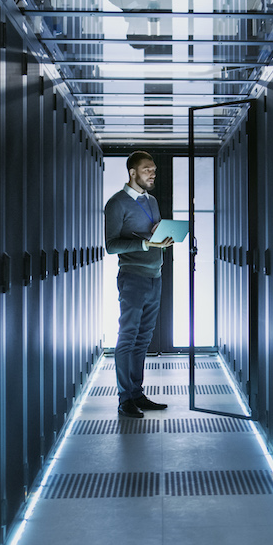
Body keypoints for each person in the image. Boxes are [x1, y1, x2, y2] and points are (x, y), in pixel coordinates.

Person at [104, 151, 175, 418]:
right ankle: (125, 399)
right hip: (132, 277)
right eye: (147, 170)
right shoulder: (116, 204)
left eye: (154, 170)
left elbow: (150, 232)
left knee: (143, 339)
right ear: (132, 172)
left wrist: (160, 235)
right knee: (128, 337)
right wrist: (146, 243)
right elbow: (111, 246)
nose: (152, 174)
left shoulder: (152, 201)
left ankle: (136, 393)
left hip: (155, 274)